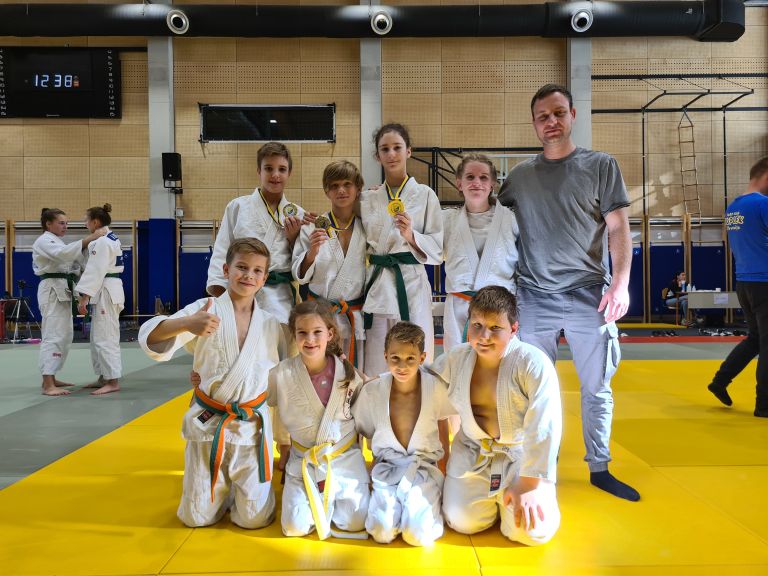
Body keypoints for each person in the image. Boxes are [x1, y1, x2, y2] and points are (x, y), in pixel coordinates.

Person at [498, 83, 640, 501]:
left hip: (588, 295)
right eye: (543, 116)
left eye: (559, 113)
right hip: (533, 297)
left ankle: (599, 466)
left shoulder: (600, 165)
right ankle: (539, 466)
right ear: (534, 124)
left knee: (597, 387)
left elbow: (619, 227)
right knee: (532, 389)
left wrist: (621, 284)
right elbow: (491, 221)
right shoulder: (519, 178)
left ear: (573, 115)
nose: (552, 122)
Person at [139, 238, 288, 528]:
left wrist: (285, 439)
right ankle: (222, 492)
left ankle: (235, 491)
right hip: (209, 424)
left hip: (251, 428)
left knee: (255, 520)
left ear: (264, 278)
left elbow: (279, 378)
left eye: (257, 271)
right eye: (241, 267)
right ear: (226, 269)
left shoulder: (271, 323)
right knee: (195, 518)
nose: (248, 275)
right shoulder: (204, 309)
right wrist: (186, 324)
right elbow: (151, 338)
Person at [432, 286, 561, 546]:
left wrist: (529, 484)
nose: (484, 336)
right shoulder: (455, 359)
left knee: (532, 532)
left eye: (495, 328)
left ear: (513, 329)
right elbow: (428, 401)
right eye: (477, 325)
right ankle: (493, 501)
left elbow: (545, 425)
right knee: (461, 521)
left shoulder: (532, 363)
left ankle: (523, 495)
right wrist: (441, 456)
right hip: (472, 451)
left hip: (520, 456)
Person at [267, 300, 369, 539]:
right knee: (294, 527)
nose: (310, 339)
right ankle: (319, 501)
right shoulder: (281, 374)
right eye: (302, 333)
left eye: (317, 332)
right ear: (293, 335)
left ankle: (332, 499)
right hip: (304, 458)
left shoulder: (348, 373)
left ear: (330, 334)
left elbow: (367, 411)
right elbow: (258, 399)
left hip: (343, 457)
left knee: (355, 521)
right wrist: (201, 383)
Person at [353, 321, 455, 546]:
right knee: (381, 531)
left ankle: (424, 509)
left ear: (422, 358)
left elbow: (443, 419)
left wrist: (446, 464)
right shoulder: (373, 391)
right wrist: (363, 473)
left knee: (417, 535)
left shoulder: (434, 387)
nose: (402, 366)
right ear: (385, 356)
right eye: (395, 358)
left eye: (410, 358)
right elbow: (359, 430)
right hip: (387, 469)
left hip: (423, 470)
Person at [361, 123, 443, 377]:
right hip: (378, 285)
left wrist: (411, 236)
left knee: (415, 356)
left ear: (409, 151)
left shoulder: (426, 195)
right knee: (377, 360)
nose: (391, 154)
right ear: (377, 156)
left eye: (397, 147)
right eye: (385, 149)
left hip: (412, 284)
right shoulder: (367, 198)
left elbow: (437, 249)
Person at [206, 141, 312, 326]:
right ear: (259, 171)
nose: (275, 175)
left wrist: (294, 239)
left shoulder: (298, 214)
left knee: (277, 340)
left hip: (279, 296)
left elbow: (301, 263)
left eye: (282, 169)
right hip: (240, 288)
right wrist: (221, 292)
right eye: (268, 168)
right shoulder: (238, 207)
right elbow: (222, 250)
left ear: (289, 173)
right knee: (238, 339)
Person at [707, 157, 768, 418]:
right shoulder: (762, 204)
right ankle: (764, 405)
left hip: (744, 282)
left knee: (755, 338)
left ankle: (720, 381)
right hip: (764, 281)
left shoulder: (734, 207)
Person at [293, 160, 368, 370]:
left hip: (353, 315)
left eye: (347, 184)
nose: (341, 190)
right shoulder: (312, 227)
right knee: (320, 376)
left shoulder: (367, 228)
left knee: (353, 378)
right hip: (319, 318)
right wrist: (312, 251)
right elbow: (300, 275)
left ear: (358, 188)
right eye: (334, 186)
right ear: (327, 191)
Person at [442, 153, 518, 352]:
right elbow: (418, 227)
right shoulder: (446, 220)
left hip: (500, 307)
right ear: (459, 183)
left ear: (492, 184)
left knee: (500, 363)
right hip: (459, 306)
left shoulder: (512, 219)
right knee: (457, 363)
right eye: (470, 177)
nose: (477, 182)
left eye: (484, 177)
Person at [33, 208, 107, 396]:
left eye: (66, 223)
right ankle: (47, 384)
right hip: (51, 291)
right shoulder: (44, 241)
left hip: (63, 290)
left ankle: (52, 376)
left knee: (64, 335)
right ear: (48, 224)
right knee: (53, 334)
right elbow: (64, 254)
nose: (65, 226)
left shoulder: (58, 241)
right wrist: (90, 238)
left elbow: (73, 262)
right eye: (61, 223)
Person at [75, 204, 125, 396]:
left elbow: (95, 271)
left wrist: (84, 298)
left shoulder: (103, 242)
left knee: (105, 337)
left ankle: (112, 380)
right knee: (98, 336)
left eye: (86, 220)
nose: (85, 224)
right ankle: (104, 377)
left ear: (95, 222)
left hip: (105, 291)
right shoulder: (109, 238)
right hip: (106, 289)